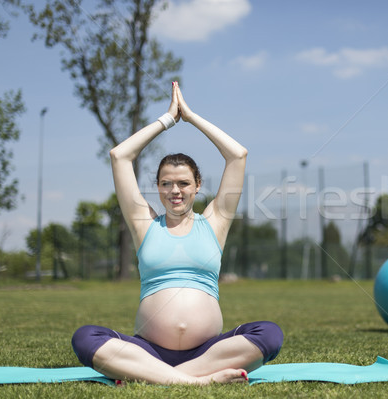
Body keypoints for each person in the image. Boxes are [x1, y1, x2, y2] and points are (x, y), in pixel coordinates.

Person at [71, 82, 283, 385]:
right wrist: (167, 119)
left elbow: (237, 155)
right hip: (148, 350)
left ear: (197, 186)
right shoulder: (144, 224)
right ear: (157, 187)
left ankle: (151, 376)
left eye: (183, 183)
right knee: (85, 337)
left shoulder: (214, 223)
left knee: (270, 333)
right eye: (166, 183)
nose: (175, 191)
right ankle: (196, 381)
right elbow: (120, 156)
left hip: (210, 351)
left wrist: (191, 116)